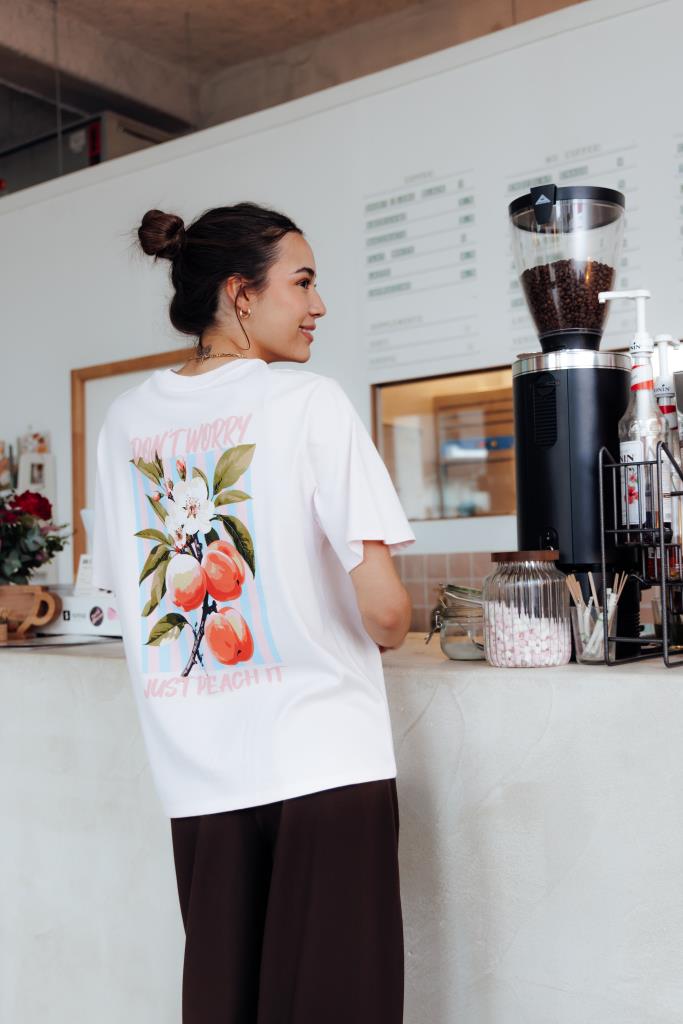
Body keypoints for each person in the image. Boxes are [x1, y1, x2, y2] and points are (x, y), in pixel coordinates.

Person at [91, 201, 416, 1024]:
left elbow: (130, 595)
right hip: (323, 761)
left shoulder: (123, 422)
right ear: (240, 293)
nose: (318, 305)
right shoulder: (308, 402)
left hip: (197, 773)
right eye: (301, 283)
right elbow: (386, 613)